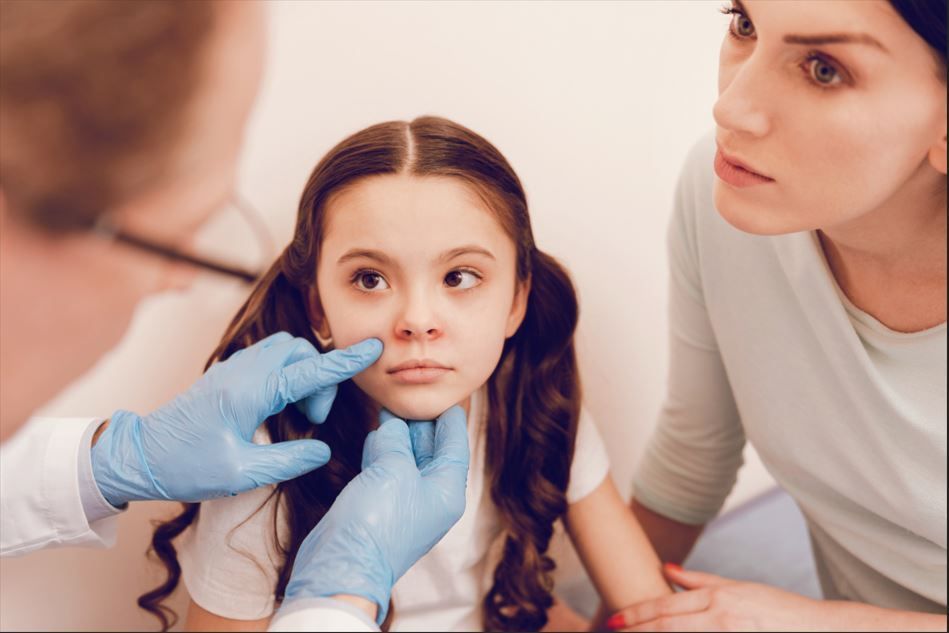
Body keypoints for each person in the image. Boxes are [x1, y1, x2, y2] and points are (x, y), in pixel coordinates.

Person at [0, 3, 468, 631]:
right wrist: (336, 599)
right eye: (180, 232)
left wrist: (111, 460)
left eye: (460, 276)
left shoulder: (537, 413)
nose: (180, 279)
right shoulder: (264, 491)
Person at [137, 116, 672, 633]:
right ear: (318, 309)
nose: (417, 320)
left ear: (517, 301)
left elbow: (650, 609)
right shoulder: (263, 457)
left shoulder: (535, 406)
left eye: (460, 276)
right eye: (369, 279)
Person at [606, 1, 947, 630]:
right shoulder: (732, 198)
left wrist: (825, 626)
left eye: (822, 70)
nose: (730, 107)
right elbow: (693, 455)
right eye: (743, 25)